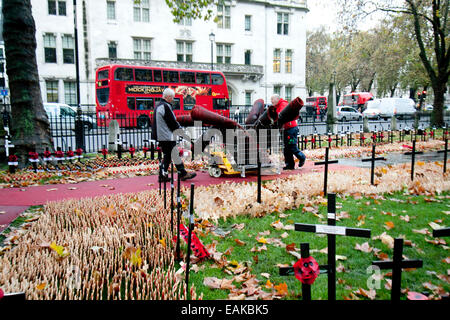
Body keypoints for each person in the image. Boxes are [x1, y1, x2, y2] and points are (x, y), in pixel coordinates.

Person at [151, 88, 196, 182]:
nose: (173, 99)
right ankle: (182, 174)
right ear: (167, 97)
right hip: (166, 136)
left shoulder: (159, 106)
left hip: (161, 136)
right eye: (172, 97)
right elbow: (172, 122)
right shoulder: (165, 106)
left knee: (168, 155)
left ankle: (163, 176)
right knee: (174, 154)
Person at [271, 94, 306, 170]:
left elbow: (280, 116)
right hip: (287, 129)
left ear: (277, 99)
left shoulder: (283, 104)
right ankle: (289, 164)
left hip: (290, 129)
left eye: (272, 99)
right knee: (286, 148)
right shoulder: (278, 106)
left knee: (291, 146)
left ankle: (302, 157)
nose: (271, 101)